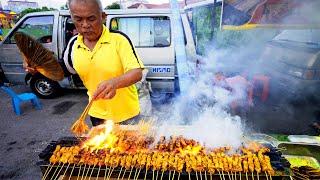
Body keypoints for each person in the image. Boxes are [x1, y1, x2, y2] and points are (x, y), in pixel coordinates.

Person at [24, 0, 144, 126]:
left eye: (91, 19)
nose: (85, 25)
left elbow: (136, 73)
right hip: (97, 114)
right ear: (72, 19)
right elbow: (62, 70)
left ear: (103, 17)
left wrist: (114, 83)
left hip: (127, 114)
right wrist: (38, 67)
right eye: (79, 20)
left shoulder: (119, 40)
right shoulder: (73, 44)